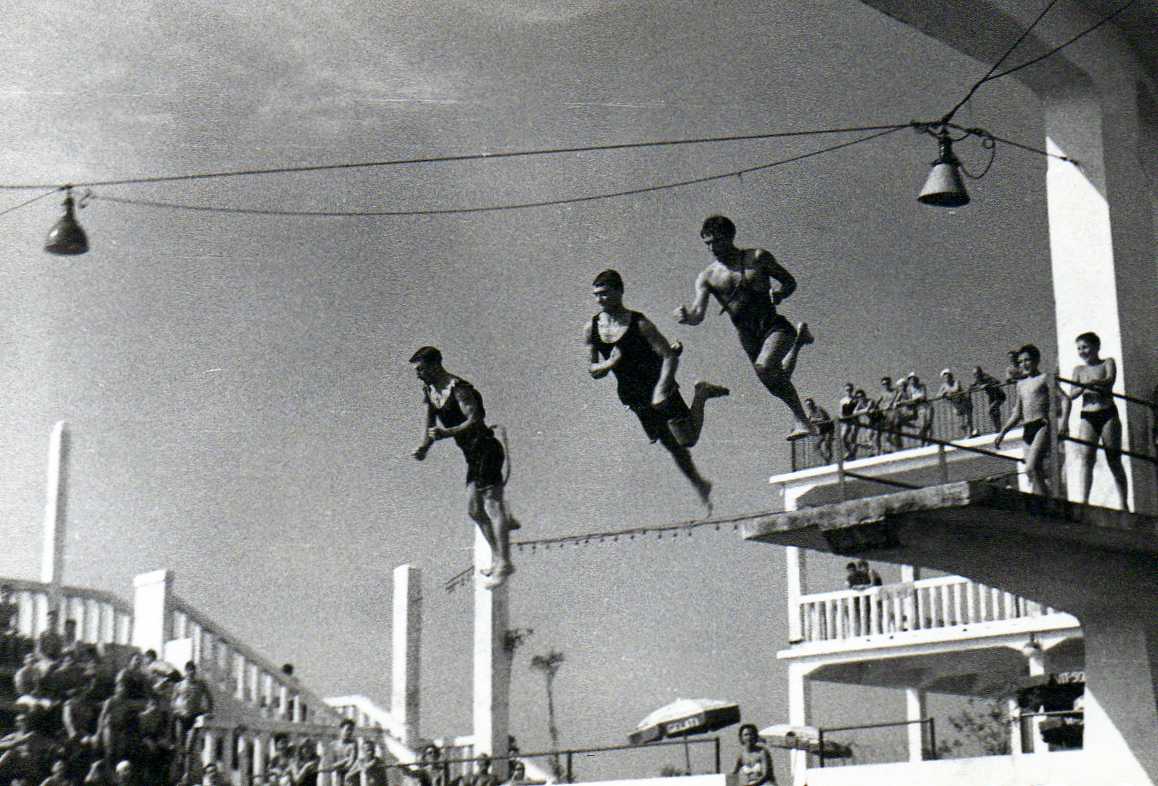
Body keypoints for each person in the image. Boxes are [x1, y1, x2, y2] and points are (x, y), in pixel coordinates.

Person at [586, 269, 728, 510]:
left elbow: (669, 357)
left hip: (659, 386)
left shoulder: (639, 323)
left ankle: (701, 394)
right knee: (674, 447)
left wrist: (661, 388)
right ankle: (700, 484)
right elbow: (593, 370)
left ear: (619, 292)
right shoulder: (592, 328)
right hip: (635, 397)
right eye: (596, 295)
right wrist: (611, 362)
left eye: (605, 294)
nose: (600, 300)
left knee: (688, 439)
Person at [674, 214, 815, 440]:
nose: (712, 248)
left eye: (717, 241)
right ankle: (800, 342)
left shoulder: (757, 258)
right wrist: (686, 316)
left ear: (730, 237)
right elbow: (697, 314)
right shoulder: (707, 277)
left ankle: (802, 420)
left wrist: (779, 293)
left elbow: (789, 282)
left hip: (773, 326)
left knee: (766, 367)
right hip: (748, 336)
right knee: (773, 377)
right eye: (707, 243)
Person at [410, 346, 519, 589]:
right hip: (472, 456)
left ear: (435, 365)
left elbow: (475, 420)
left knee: (491, 504)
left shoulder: (459, 389)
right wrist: (424, 448)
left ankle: (504, 562)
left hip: (486, 449)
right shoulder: (430, 392)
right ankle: (500, 556)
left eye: (421, 369)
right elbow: (429, 426)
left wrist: (447, 432)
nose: (418, 375)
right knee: (474, 510)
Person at [1059, 331, 1129, 510]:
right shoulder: (1078, 370)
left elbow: (1110, 379)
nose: (1082, 351)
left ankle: (1123, 502)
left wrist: (1095, 381)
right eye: (1079, 348)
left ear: (1096, 347)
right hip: (1087, 414)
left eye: (1085, 347)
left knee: (1114, 459)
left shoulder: (1108, 362)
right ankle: (1084, 500)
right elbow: (1072, 394)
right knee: (1086, 458)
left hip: (1107, 412)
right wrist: (1084, 387)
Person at [995, 344, 1058, 497]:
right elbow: (1017, 413)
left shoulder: (1044, 378)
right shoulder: (1020, 384)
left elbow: (1063, 399)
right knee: (1033, 472)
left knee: (1031, 467)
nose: (1024, 364)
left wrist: (1062, 424)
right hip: (1027, 427)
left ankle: (1046, 501)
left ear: (1036, 360)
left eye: (1028, 360)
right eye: (1021, 361)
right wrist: (1002, 433)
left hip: (1042, 425)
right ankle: (1046, 500)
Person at [172, 662, 213, 777]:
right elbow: (173, 701)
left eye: (193, 670)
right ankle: (179, 773)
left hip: (194, 717)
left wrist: (208, 712)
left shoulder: (200, 685)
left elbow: (209, 698)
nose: (191, 673)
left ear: (195, 672)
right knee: (180, 746)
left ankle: (187, 774)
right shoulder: (179, 685)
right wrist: (176, 710)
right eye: (189, 670)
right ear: (185, 671)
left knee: (189, 747)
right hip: (181, 717)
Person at [939, 369, 977, 438]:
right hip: (956, 405)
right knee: (961, 422)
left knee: (967, 420)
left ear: (951, 376)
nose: (947, 377)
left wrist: (948, 393)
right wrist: (943, 394)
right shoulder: (944, 386)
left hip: (964, 402)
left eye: (948, 375)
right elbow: (938, 395)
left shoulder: (957, 382)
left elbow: (956, 389)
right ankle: (966, 434)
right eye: (945, 376)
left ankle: (970, 434)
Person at [971, 366, 1007, 434]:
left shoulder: (986, 377)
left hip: (999, 395)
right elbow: (972, 386)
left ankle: (998, 428)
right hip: (991, 397)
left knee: (991, 410)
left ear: (980, 372)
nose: (975, 376)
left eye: (976, 374)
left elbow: (997, 381)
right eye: (974, 374)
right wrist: (977, 387)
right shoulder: (977, 380)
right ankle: (998, 429)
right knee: (994, 413)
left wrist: (987, 385)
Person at [802, 398, 834, 463]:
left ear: (813, 404)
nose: (809, 406)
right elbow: (808, 422)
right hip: (822, 430)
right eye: (807, 405)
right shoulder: (810, 413)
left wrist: (815, 420)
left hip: (829, 428)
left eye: (810, 404)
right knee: (816, 446)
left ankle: (830, 456)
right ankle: (826, 459)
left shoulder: (819, 409)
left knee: (827, 444)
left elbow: (823, 418)